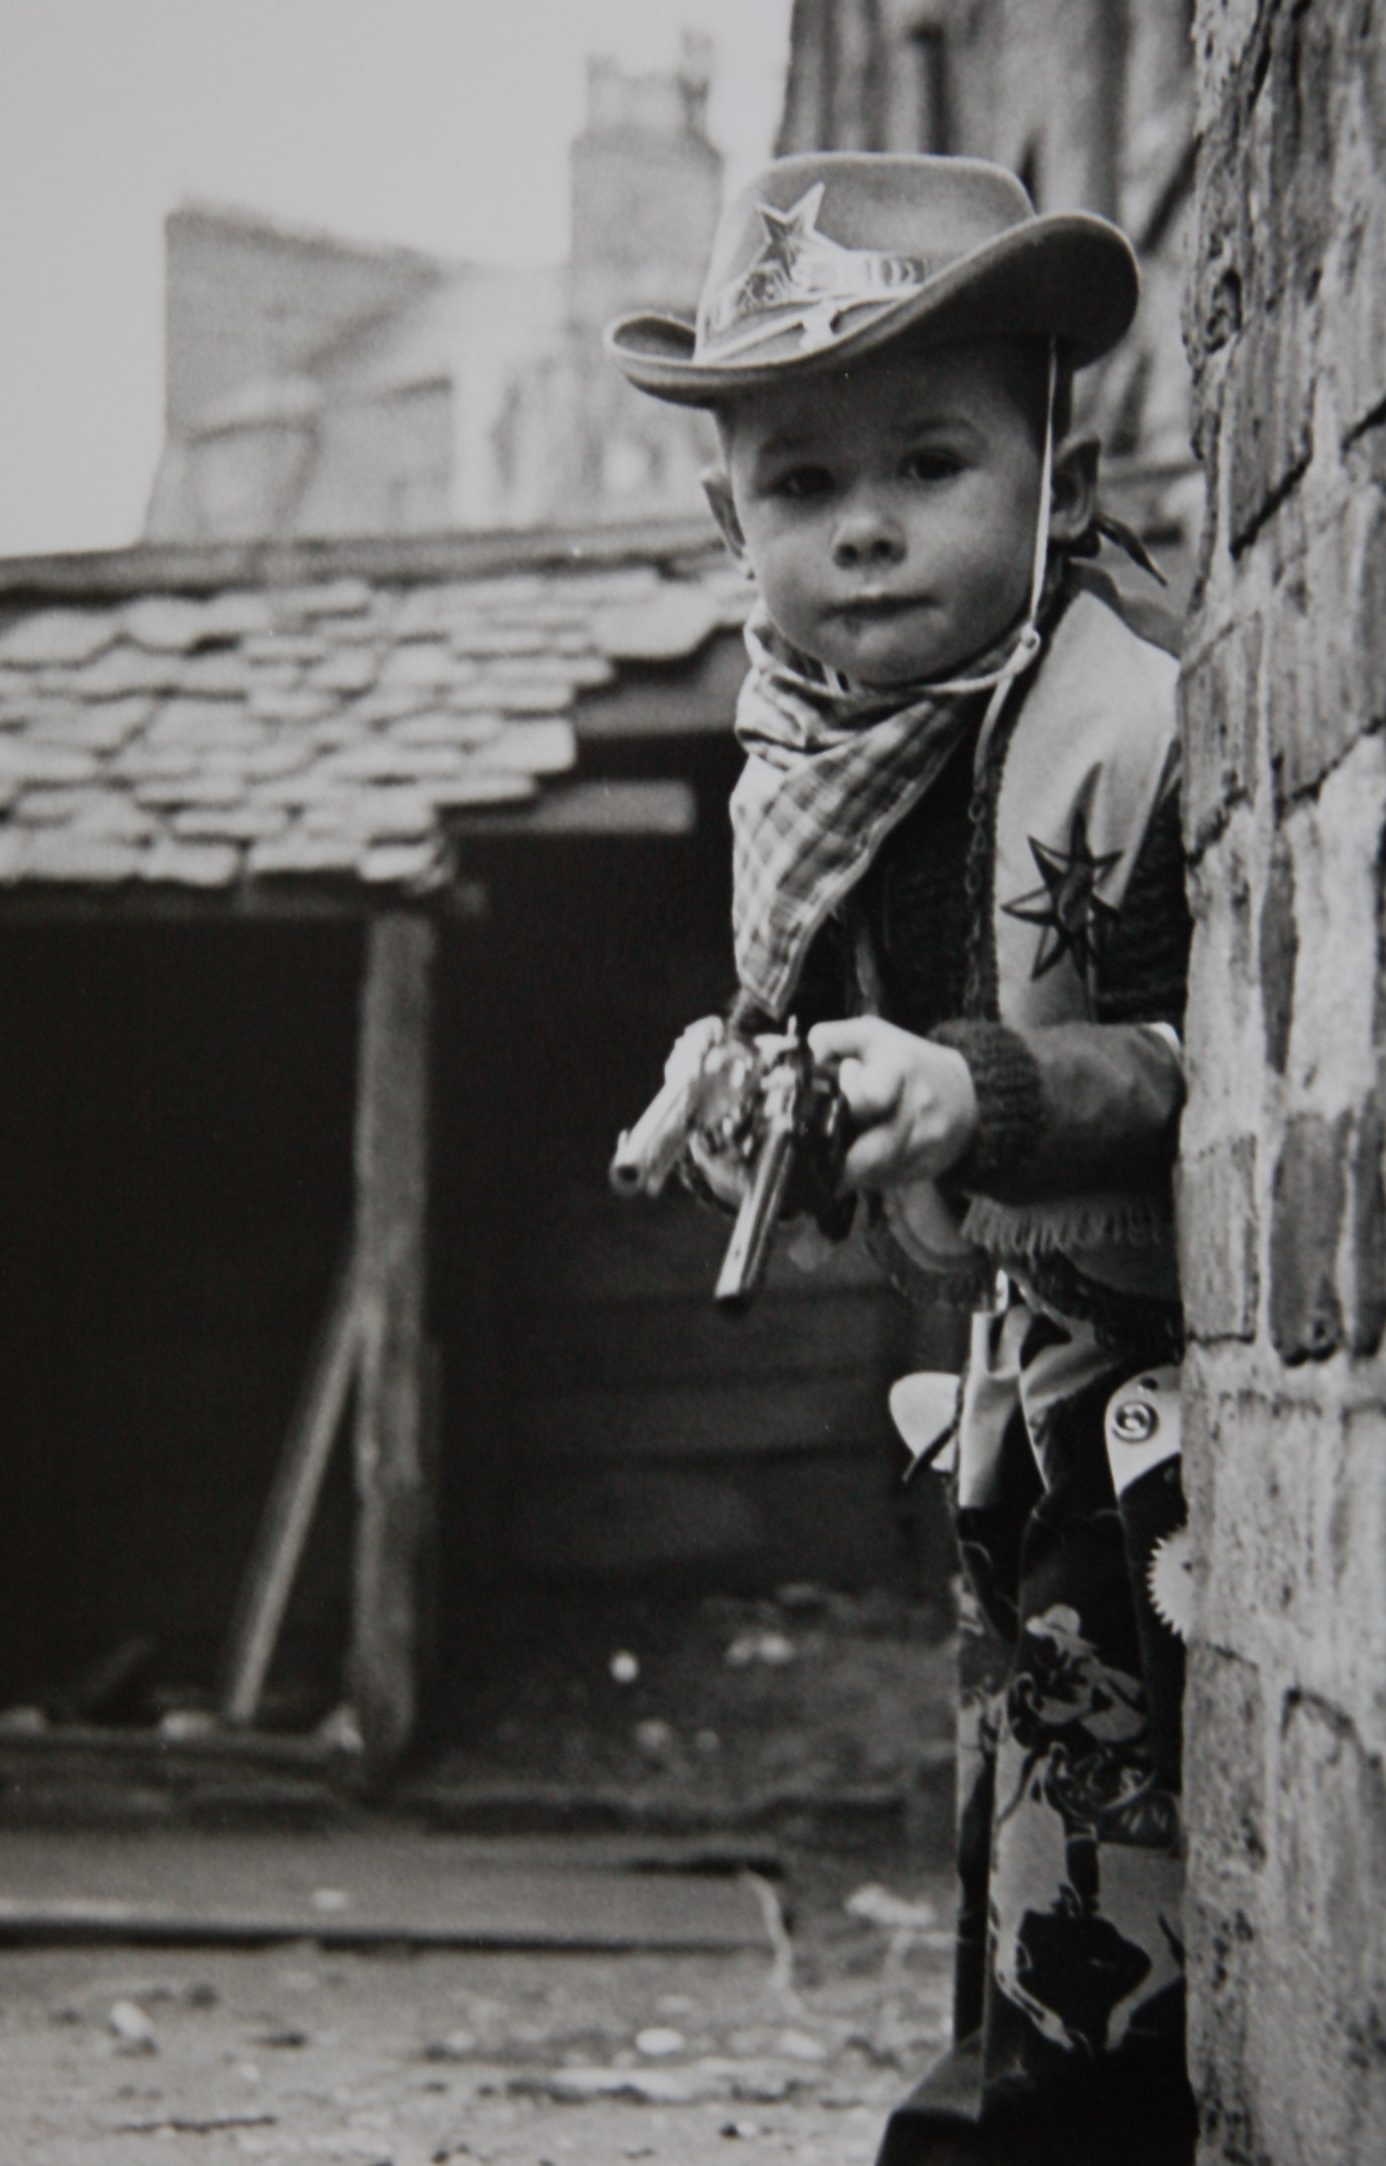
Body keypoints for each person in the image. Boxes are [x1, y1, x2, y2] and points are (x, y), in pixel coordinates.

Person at [607, 153, 1195, 2166]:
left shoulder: (1141, 718)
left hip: (1160, 1406)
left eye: (928, 461)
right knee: (1024, 1797)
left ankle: (1059, 2105)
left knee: (1109, 1856)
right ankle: (1016, 2072)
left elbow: (1247, 1064)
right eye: (800, 488)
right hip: (1013, 1400)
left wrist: (984, 1096)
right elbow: (836, 1049)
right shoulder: (830, 752)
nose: (861, 531)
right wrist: (744, 1098)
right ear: (727, 522)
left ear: (1056, 461)